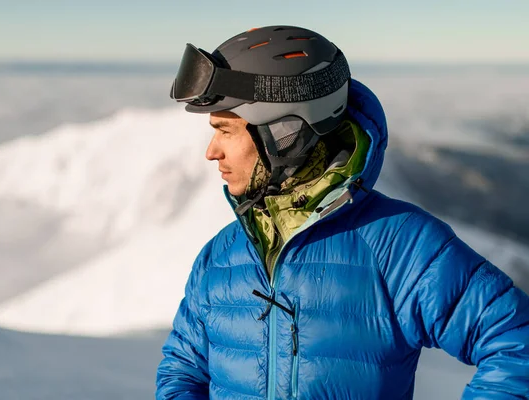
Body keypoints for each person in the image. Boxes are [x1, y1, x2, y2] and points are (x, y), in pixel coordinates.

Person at [156, 25, 529, 399]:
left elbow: (516, 343)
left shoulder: (400, 246)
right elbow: (182, 370)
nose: (211, 151)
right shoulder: (219, 257)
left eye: (226, 131)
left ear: (283, 132)